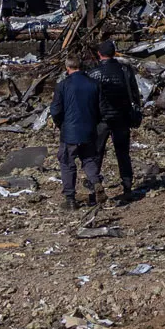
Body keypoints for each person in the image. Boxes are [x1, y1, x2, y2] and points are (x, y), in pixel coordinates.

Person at [48, 50, 105, 210]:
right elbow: (101, 109)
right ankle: (96, 182)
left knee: (67, 162)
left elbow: (56, 110)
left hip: (70, 131)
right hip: (89, 129)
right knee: (88, 159)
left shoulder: (63, 85)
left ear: (67, 68)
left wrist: (61, 124)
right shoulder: (94, 84)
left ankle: (70, 199)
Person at [91, 38, 143, 202]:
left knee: (96, 153)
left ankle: (95, 185)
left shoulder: (94, 73)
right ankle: (127, 187)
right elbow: (135, 94)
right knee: (123, 154)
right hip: (122, 117)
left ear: (99, 54)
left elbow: (90, 98)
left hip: (102, 119)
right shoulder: (125, 70)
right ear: (114, 53)